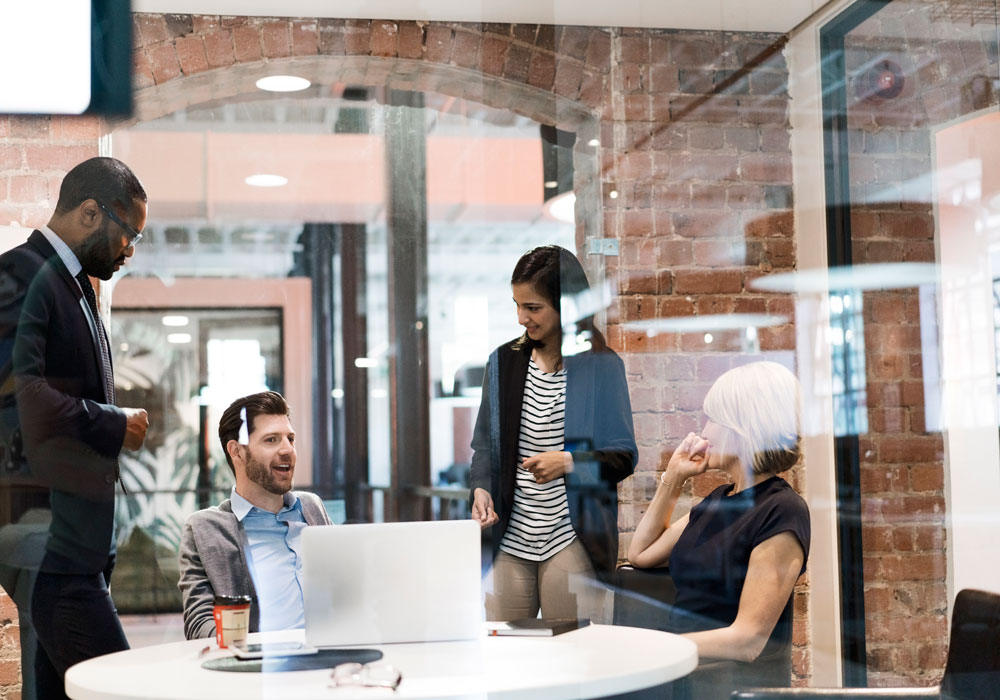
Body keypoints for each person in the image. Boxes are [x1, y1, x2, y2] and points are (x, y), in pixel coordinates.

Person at [0, 157, 150, 700]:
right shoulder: (18, 274)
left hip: (67, 538)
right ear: (91, 212)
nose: (130, 250)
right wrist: (114, 423)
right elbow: (22, 396)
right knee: (118, 687)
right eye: (129, 233)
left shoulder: (70, 283)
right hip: (48, 539)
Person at [470, 245, 637, 623]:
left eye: (533, 308)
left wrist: (569, 463)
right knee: (506, 659)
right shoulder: (502, 362)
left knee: (577, 662)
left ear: (567, 305)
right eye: (517, 305)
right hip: (509, 540)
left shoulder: (603, 367)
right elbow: (483, 447)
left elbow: (624, 456)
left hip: (573, 539)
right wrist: (480, 489)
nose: (520, 318)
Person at [627, 361, 810, 698]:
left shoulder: (781, 510)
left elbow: (748, 640)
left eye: (713, 419)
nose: (704, 431)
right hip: (676, 666)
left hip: (714, 679)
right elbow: (640, 554)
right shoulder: (718, 501)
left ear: (743, 427)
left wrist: (656, 648)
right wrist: (675, 477)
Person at [177, 391, 332, 640]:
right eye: (271, 440)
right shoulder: (205, 528)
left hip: (330, 658)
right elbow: (199, 626)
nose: (287, 450)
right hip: (261, 668)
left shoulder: (311, 508)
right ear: (237, 452)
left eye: (290, 439)